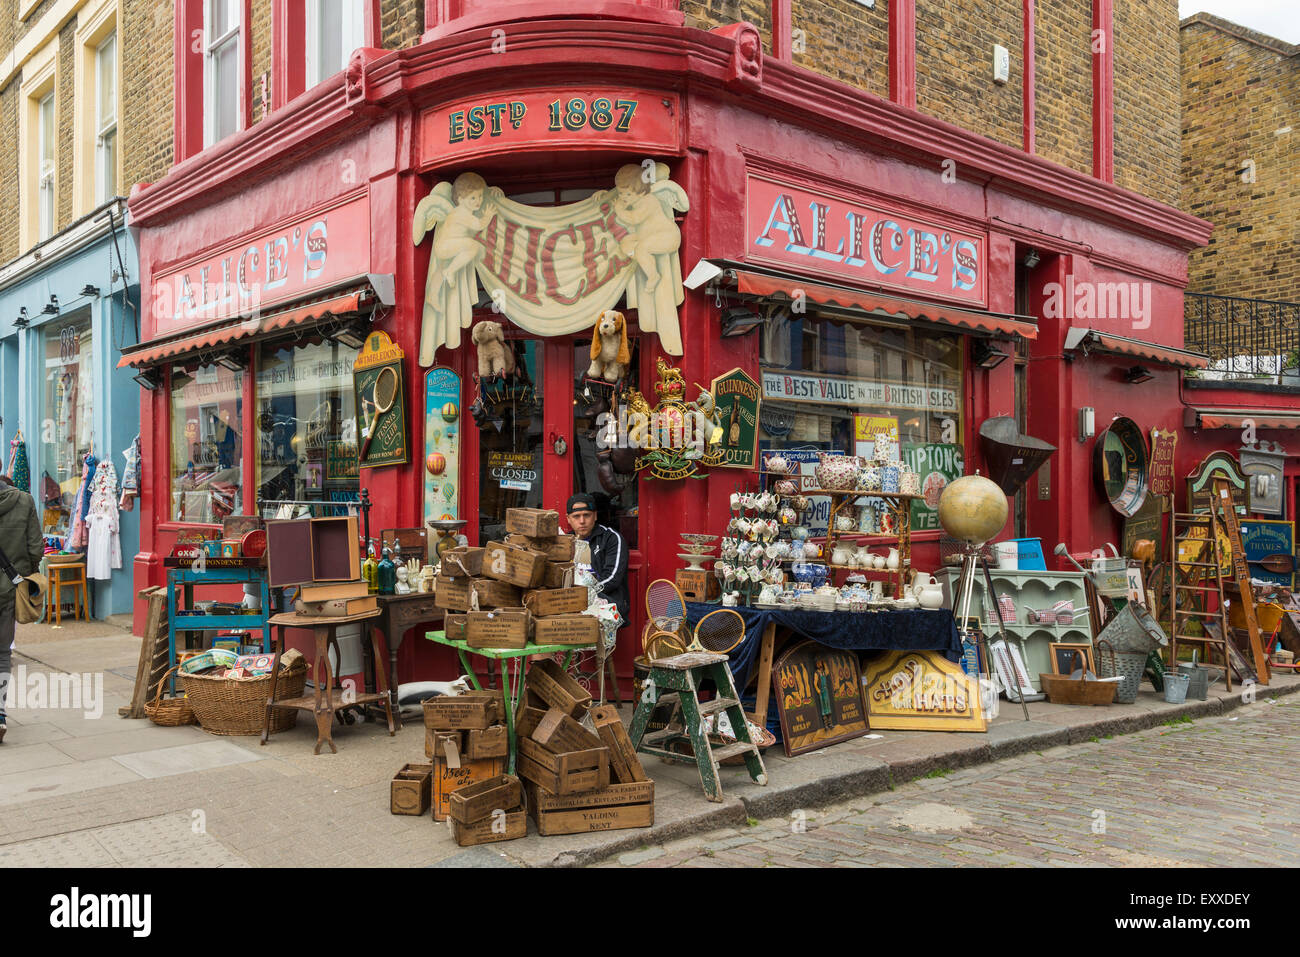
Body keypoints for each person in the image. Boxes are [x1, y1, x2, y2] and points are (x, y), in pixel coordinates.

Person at [0, 473, 44, 743]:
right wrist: (21, 576)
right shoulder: (24, 501)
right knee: (3, 654)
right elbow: (36, 548)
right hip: (8, 589)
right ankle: (0, 714)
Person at [565, 493, 628, 632]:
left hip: (604, 601)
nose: (582, 521)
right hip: (569, 601)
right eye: (576, 516)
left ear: (595, 516)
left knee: (602, 649)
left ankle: (603, 654)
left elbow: (612, 578)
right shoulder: (565, 542)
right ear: (568, 519)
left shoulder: (611, 538)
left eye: (586, 515)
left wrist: (585, 595)